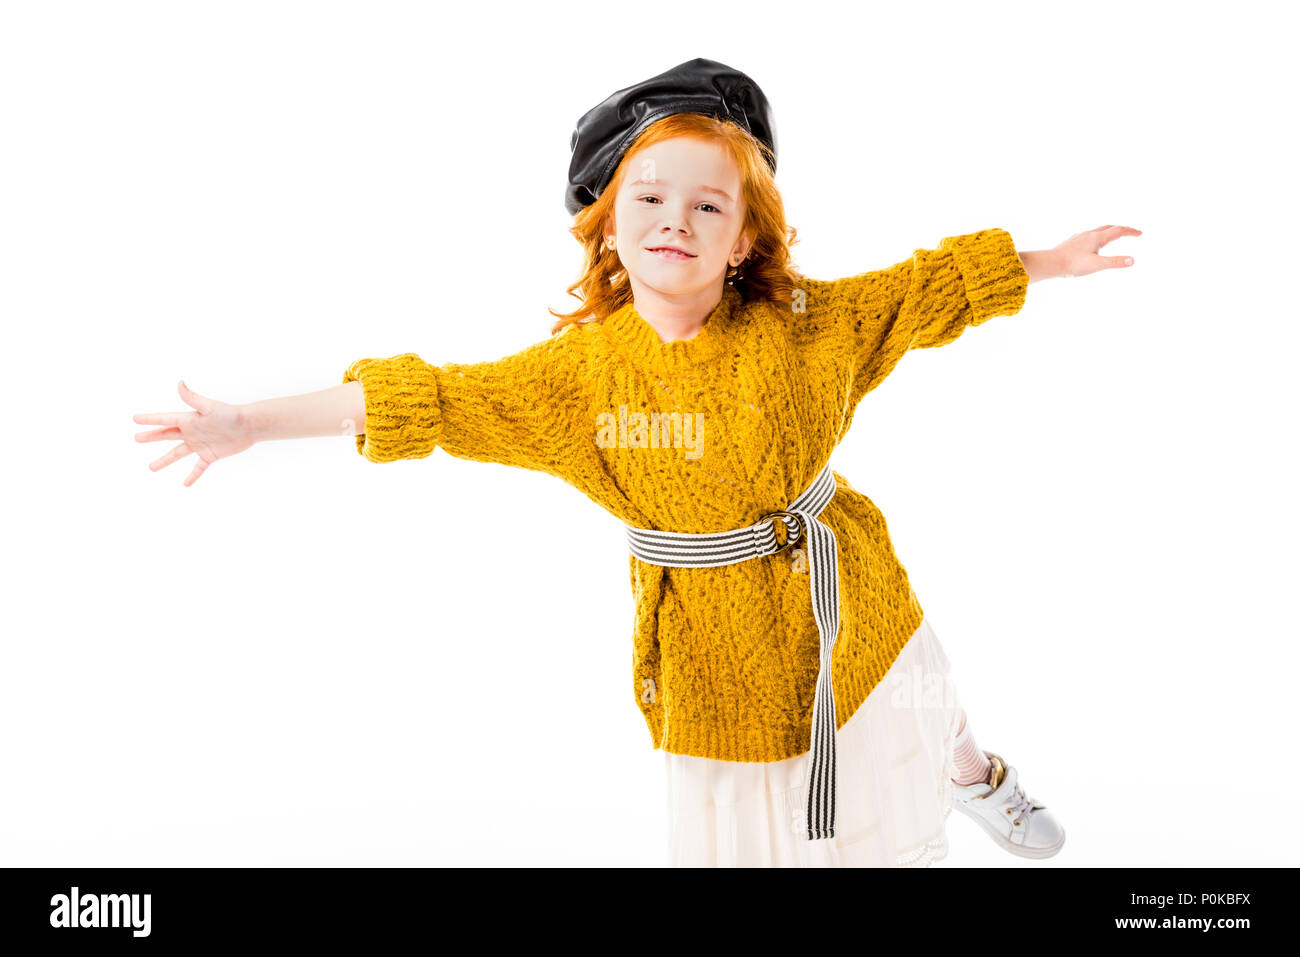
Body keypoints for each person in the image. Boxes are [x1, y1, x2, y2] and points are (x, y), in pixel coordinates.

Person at [133, 58, 1140, 867]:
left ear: (746, 238)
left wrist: (1050, 259)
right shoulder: (577, 376)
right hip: (712, 634)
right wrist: (253, 423)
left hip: (838, 571)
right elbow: (430, 399)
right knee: (768, 807)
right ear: (607, 223)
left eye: (709, 207)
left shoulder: (805, 324)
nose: (676, 219)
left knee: (922, 691)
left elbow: (923, 291)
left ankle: (973, 780)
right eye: (650, 197)